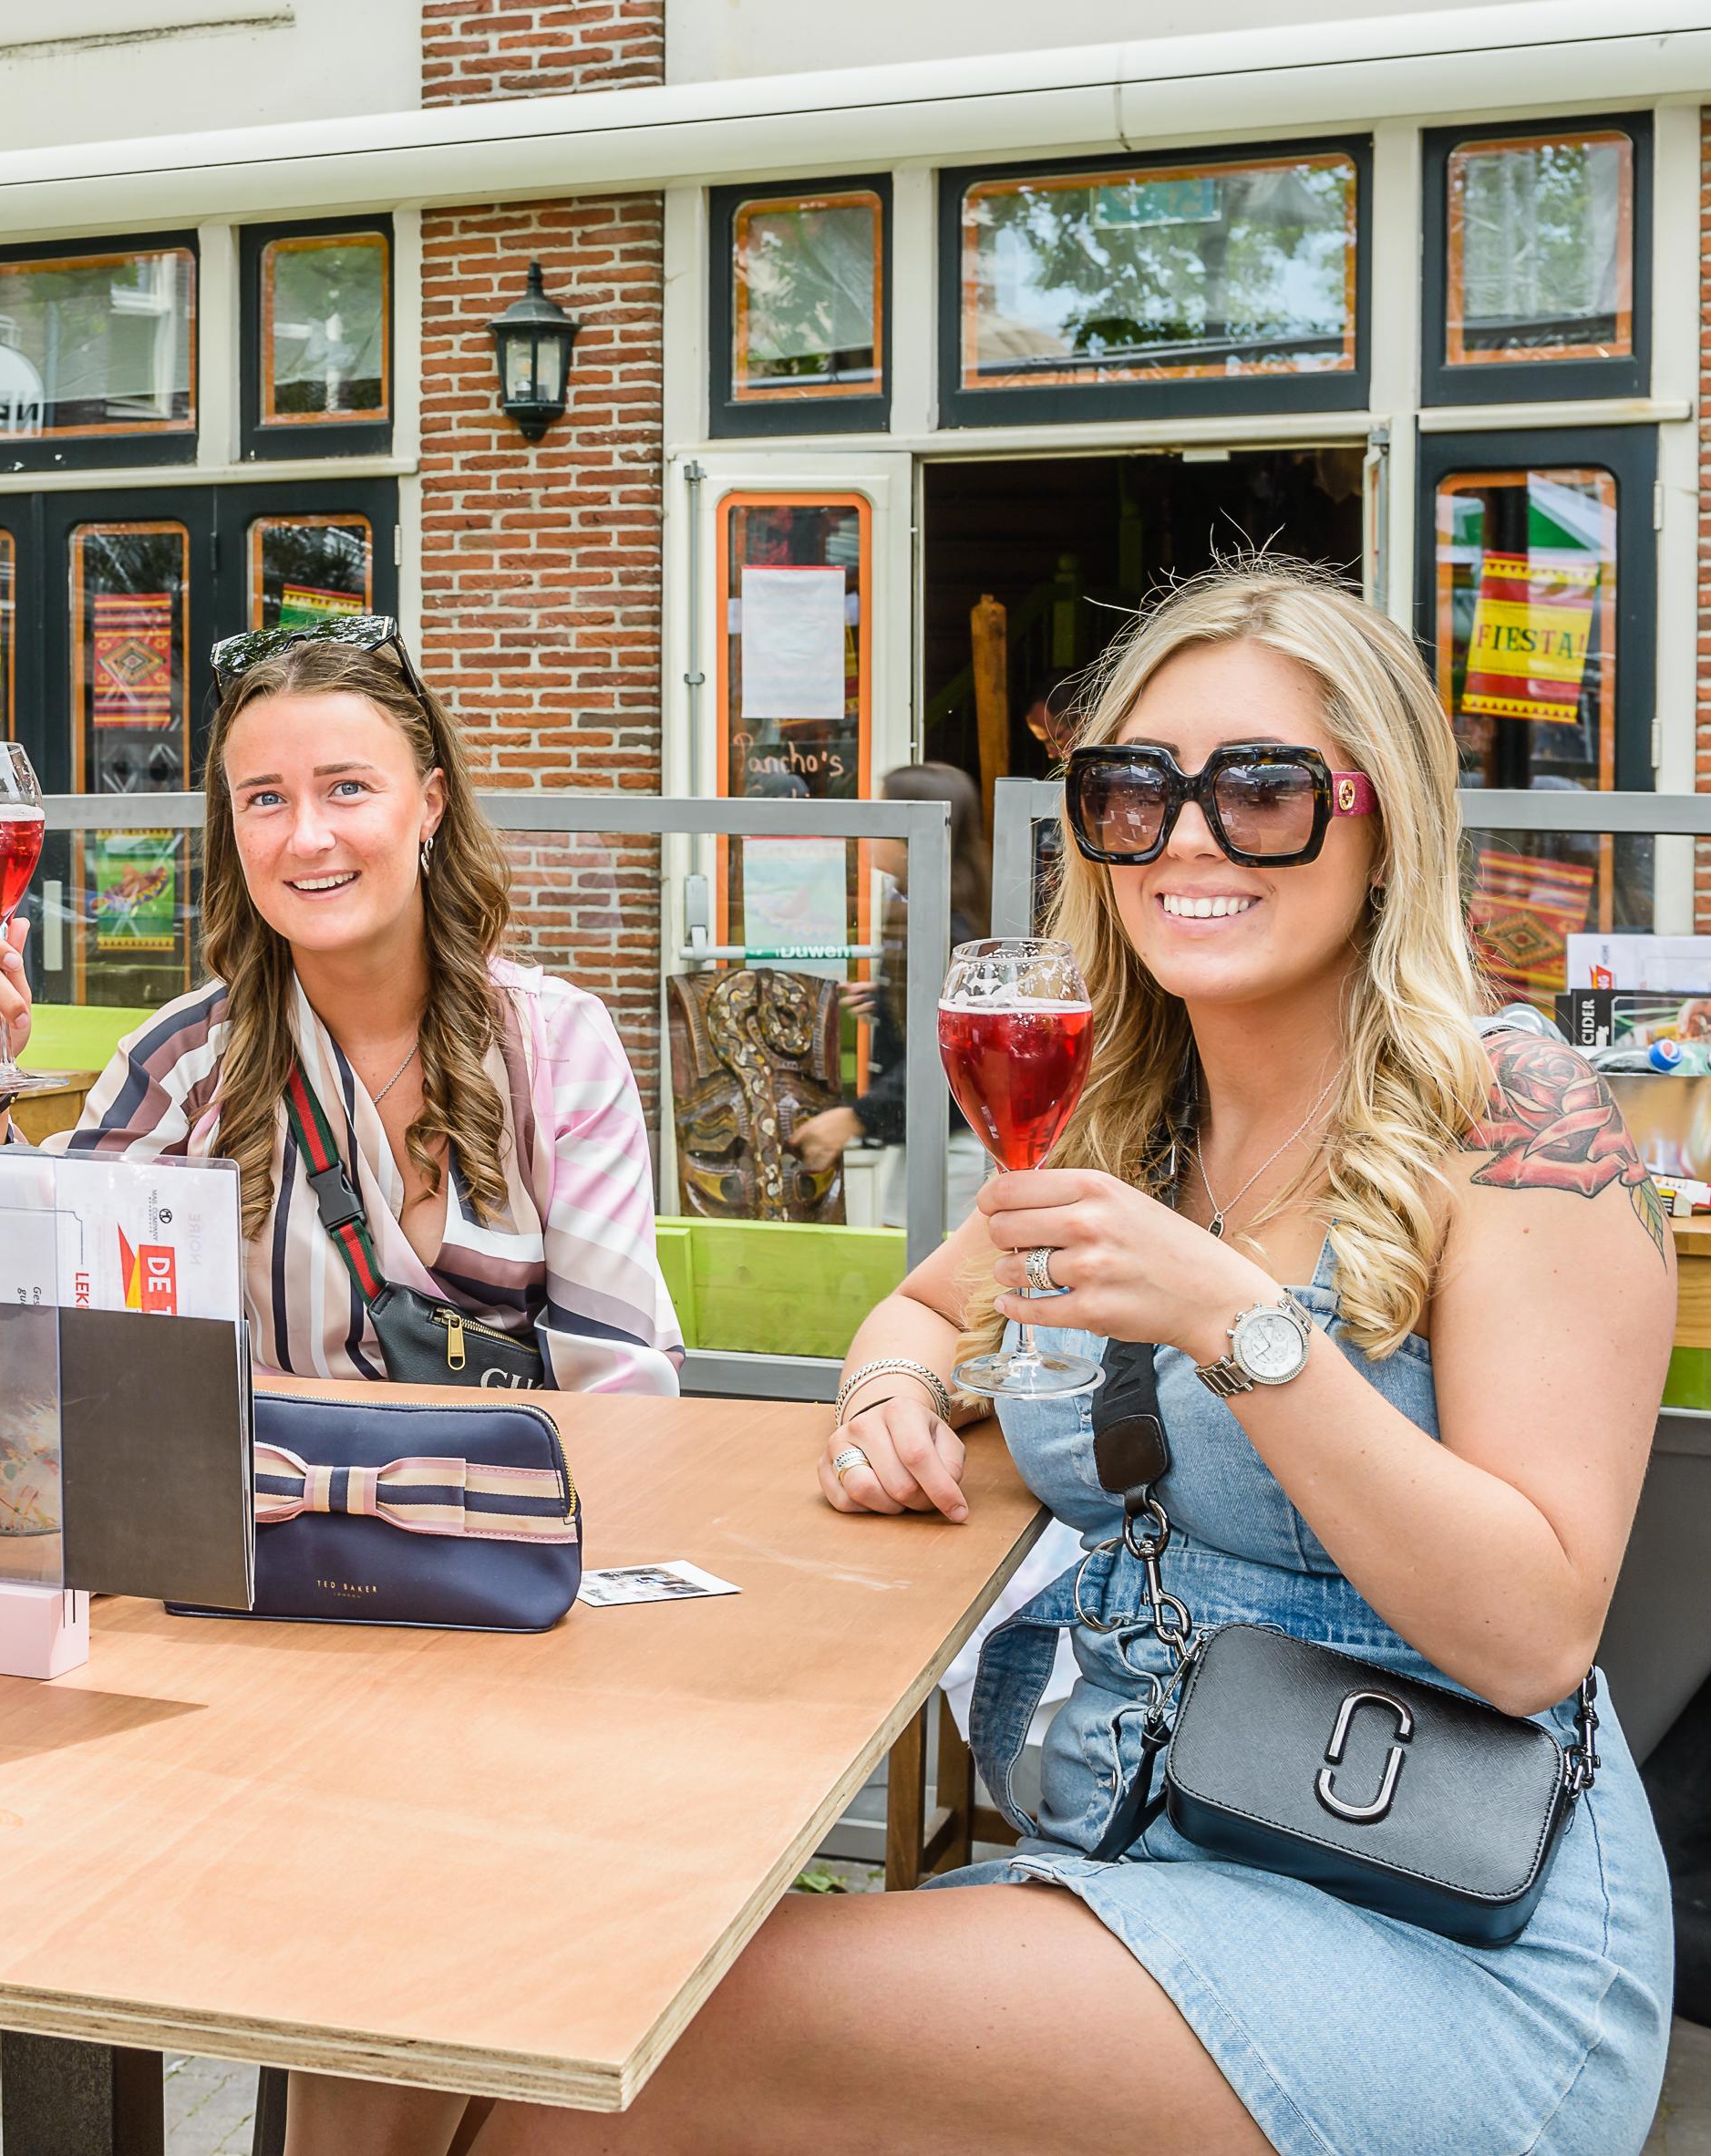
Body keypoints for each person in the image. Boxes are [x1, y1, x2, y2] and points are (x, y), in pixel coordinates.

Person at [292, 561, 1675, 2155]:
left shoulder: (1514, 1118)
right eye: (1132, 792)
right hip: (1131, 1849)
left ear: (1381, 820)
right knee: (402, 1963)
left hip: (1429, 1917)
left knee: (616, 2036)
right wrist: (890, 1397)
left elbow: (1531, 1635)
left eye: (1262, 791)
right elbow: (911, 1315)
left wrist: (1235, 1325)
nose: (1187, 839)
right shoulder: (1129, 1125)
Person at [0, 619, 683, 1392]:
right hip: (270, 1477)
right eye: (266, 798)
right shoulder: (181, 1063)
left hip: (512, 1474)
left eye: (347, 788)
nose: (307, 837)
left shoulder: (555, 1048)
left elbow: (616, 1387)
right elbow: (30, 1314)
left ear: (430, 803)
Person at [789, 760, 991, 1181]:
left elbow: (950, 1053)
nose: (869, 833)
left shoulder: (947, 928)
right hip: (932, 1134)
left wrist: (854, 1118)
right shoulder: (923, 907)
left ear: (911, 836)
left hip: (953, 1142)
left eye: (881, 818)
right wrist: (887, 1001)